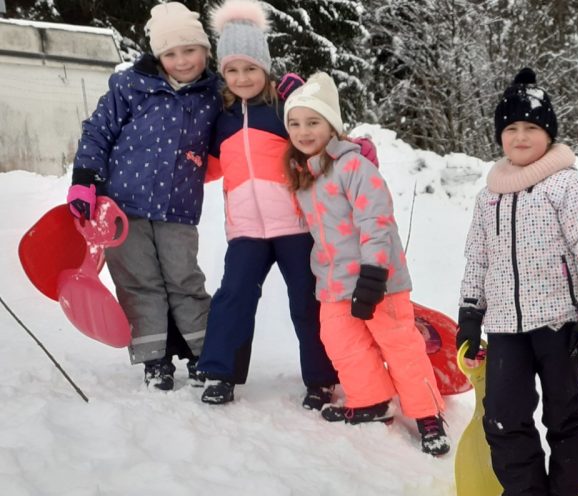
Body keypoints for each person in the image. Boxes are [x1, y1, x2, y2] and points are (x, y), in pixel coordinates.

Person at [455, 67, 578, 496]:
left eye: (532, 128)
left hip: (560, 320)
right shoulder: (489, 197)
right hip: (504, 325)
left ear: (549, 134)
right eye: (511, 128)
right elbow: (477, 257)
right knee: (502, 412)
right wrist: (469, 312)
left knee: (563, 410)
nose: (521, 137)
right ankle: (522, 493)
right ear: (501, 136)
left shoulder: (568, 185)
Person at [282, 72, 449, 456]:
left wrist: (373, 274)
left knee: (399, 345)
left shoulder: (354, 168)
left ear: (332, 126)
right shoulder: (305, 174)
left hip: (379, 280)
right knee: (341, 342)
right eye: (295, 123)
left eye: (313, 122)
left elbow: (377, 221)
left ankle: (427, 415)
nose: (304, 131)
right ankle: (372, 400)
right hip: (333, 283)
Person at [68, 2, 219, 390]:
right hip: (121, 208)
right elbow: (98, 132)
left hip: (179, 208)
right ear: (158, 55)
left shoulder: (215, 95)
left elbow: (253, 106)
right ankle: (155, 359)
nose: (183, 60)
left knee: (185, 280)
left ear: (205, 50)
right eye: (171, 53)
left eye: (190, 50)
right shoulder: (130, 86)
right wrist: (85, 179)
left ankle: (207, 356)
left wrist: (285, 95)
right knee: (138, 282)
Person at [196, 0, 338, 409]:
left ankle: (321, 378)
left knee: (307, 301)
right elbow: (211, 168)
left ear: (266, 68)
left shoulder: (285, 108)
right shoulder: (220, 117)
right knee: (233, 296)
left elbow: (320, 136)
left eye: (250, 69)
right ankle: (220, 373)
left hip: (296, 224)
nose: (242, 78)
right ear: (223, 73)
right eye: (233, 70)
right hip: (246, 229)